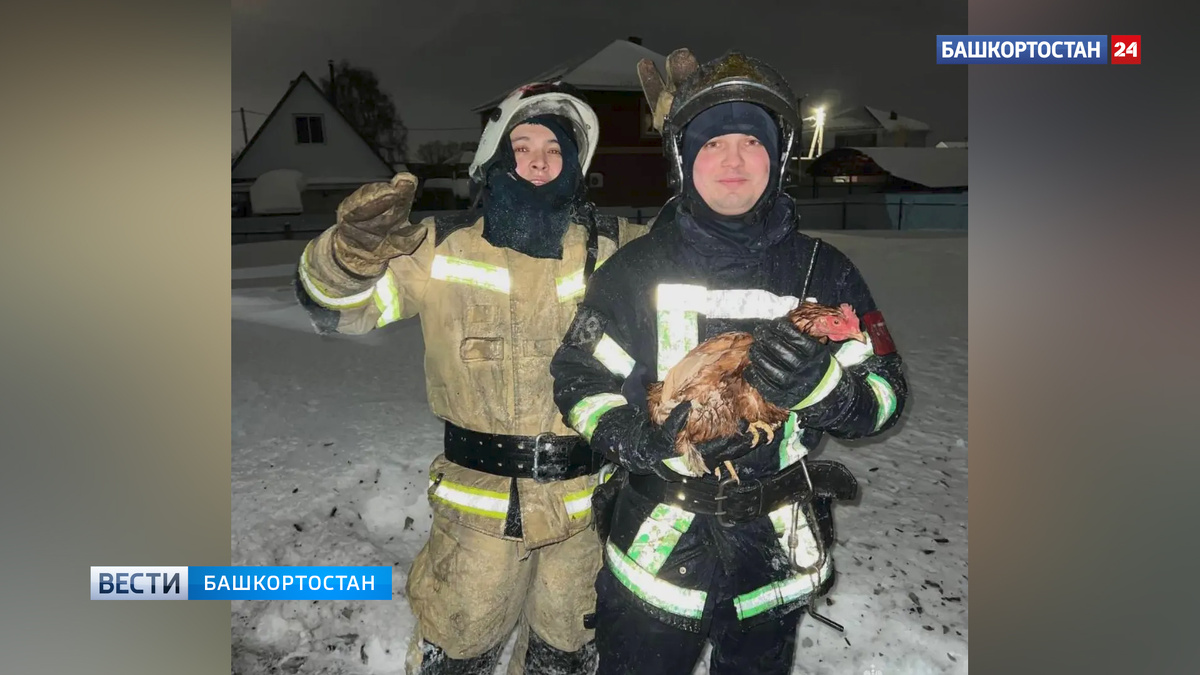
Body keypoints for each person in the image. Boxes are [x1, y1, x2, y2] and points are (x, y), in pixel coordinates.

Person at [549, 50, 909, 675]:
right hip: (655, 553)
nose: (735, 160)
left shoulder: (824, 272)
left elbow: (885, 395)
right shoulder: (632, 272)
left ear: (778, 158)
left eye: (752, 141)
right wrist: (629, 435)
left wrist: (827, 390)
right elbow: (578, 377)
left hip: (772, 556)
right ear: (685, 161)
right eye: (715, 143)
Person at [293, 80, 649, 675]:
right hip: (479, 507)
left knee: (567, 649)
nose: (538, 160)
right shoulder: (439, 246)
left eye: (555, 150)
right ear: (494, 155)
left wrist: (696, 139)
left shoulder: (615, 247)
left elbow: (702, 262)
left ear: (577, 164)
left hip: (587, 505)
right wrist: (345, 256)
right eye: (524, 143)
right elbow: (339, 309)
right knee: (459, 644)